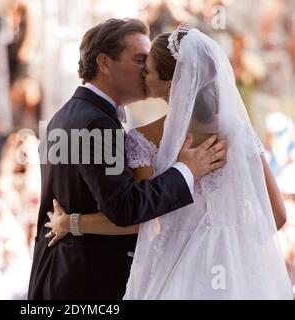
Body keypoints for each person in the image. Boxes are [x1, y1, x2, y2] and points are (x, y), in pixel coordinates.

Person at [46, 24, 292, 299]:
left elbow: (138, 218)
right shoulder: (238, 132)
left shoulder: (142, 138)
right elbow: (278, 215)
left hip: (173, 270)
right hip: (236, 275)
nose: (143, 74)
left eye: (147, 68)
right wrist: (229, 247)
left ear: (171, 83)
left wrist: (70, 223)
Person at [28, 18, 227, 300]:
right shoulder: (97, 123)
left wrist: (71, 223)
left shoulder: (62, 117)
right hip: (88, 284)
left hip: (57, 278)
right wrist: (186, 170)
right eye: (139, 60)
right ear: (105, 63)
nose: (146, 69)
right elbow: (123, 208)